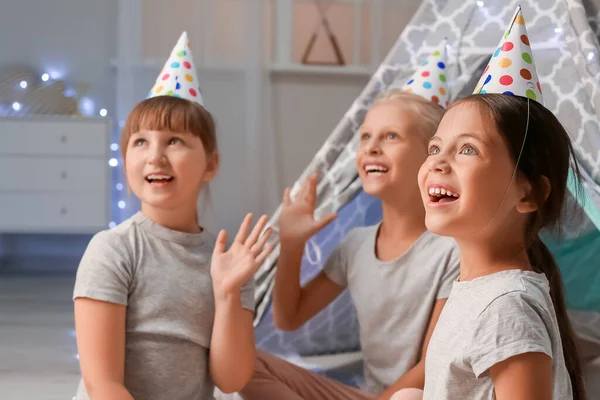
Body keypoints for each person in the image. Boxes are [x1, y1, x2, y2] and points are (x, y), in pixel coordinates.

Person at [240, 41, 460, 400]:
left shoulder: (452, 250)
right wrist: (292, 246)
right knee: (244, 365)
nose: (372, 147)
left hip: (419, 395)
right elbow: (288, 318)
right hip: (368, 396)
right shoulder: (355, 245)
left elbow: (432, 365)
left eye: (391, 136)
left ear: (430, 156)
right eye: (365, 138)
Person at [72, 32, 273, 400]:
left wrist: (228, 294)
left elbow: (232, 380)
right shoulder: (113, 250)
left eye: (174, 141)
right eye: (141, 142)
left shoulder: (227, 263)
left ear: (211, 164)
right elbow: (103, 384)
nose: (155, 156)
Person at [398, 7, 586, 400]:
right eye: (435, 148)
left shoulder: (506, 308)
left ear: (528, 192)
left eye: (467, 148)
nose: (437, 161)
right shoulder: (476, 290)